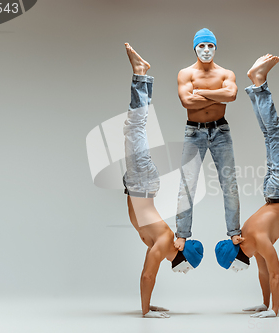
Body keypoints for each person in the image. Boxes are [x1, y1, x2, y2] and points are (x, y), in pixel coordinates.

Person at [215, 54, 279, 318]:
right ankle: (256, 84)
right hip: (275, 192)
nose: (248, 259)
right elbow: (264, 271)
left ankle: (259, 82)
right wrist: (264, 304)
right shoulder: (250, 241)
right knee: (271, 134)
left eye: (243, 258)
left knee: (276, 132)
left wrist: (275, 311)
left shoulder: (258, 240)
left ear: (240, 246)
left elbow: (276, 274)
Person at [122, 43, 204, 318]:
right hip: (141, 183)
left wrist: (149, 305)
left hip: (137, 185)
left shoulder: (162, 243)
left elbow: (149, 276)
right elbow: (148, 275)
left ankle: (142, 76)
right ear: (180, 248)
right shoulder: (165, 242)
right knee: (135, 126)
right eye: (182, 260)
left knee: (135, 128)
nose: (179, 264)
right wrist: (146, 312)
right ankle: (140, 74)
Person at [175, 28, 243, 251]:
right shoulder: (185, 73)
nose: (206, 50)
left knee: (229, 184)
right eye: (202, 46)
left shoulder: (226, 73)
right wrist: (216, 95)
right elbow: (187, 101)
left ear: (215, 47)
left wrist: (201, 93)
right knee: (187, 185)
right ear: (195, 48)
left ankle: (234, 232)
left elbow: (231, 95)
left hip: (220, 131)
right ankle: (182, 234)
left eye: (210, 45)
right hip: (194, 133)